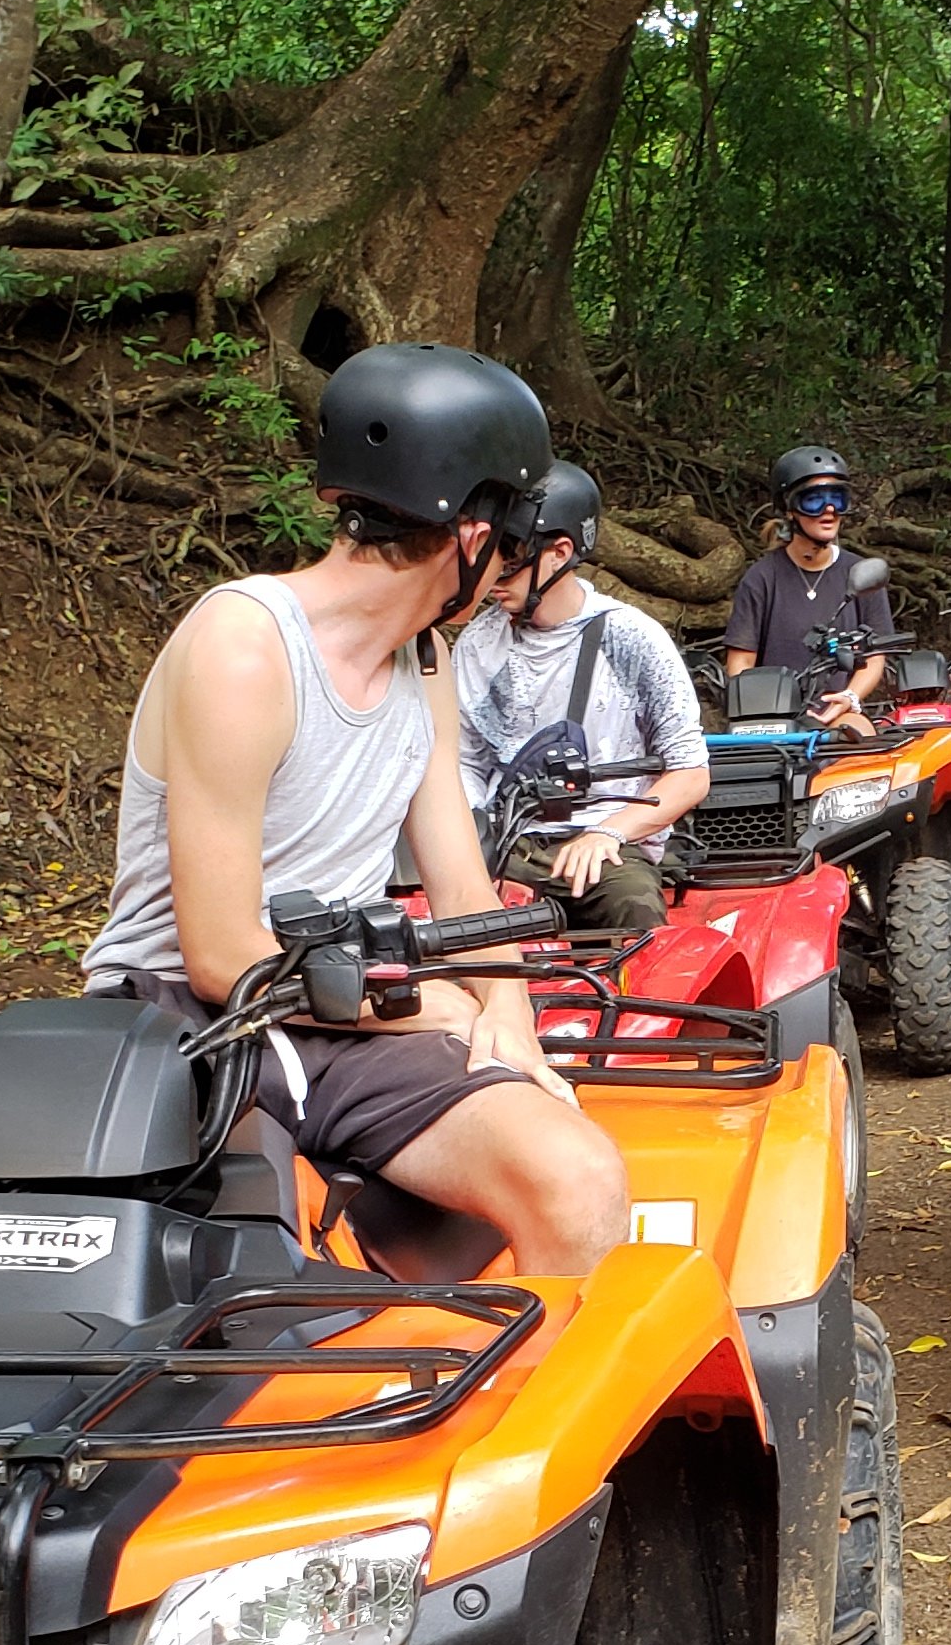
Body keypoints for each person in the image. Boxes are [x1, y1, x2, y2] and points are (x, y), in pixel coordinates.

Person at [85, 341, 629, 1274]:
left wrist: (507, 1012)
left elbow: (460, 883)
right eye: (512, 538)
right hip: (202, 1021)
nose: (508, 573)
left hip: (345, 1008)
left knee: (578, 1180)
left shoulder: (426, 660)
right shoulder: (245, 646)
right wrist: (439, 1012)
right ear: (470, 534)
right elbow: (223, 957)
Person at [453, 457, 710, 936]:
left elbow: (690, 774)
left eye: (508, 559)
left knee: (631, 907)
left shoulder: (632, 637)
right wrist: (469, 838)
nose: (492, 578)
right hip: (510, 844)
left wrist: (608, 831)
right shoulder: (478, 643)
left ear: (559, 551)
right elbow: (466, 760)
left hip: (611, 844)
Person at [724, 443, 896, 738]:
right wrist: (759, 709)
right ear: (791, 510)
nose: (829, 511)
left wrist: (850, 698)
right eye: (814, 500)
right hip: (773, 719)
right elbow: (740, 663)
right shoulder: (762, 577)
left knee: (860, 743)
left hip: (837, 715)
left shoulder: (861, 574)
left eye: (837, 499)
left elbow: (875, 655)